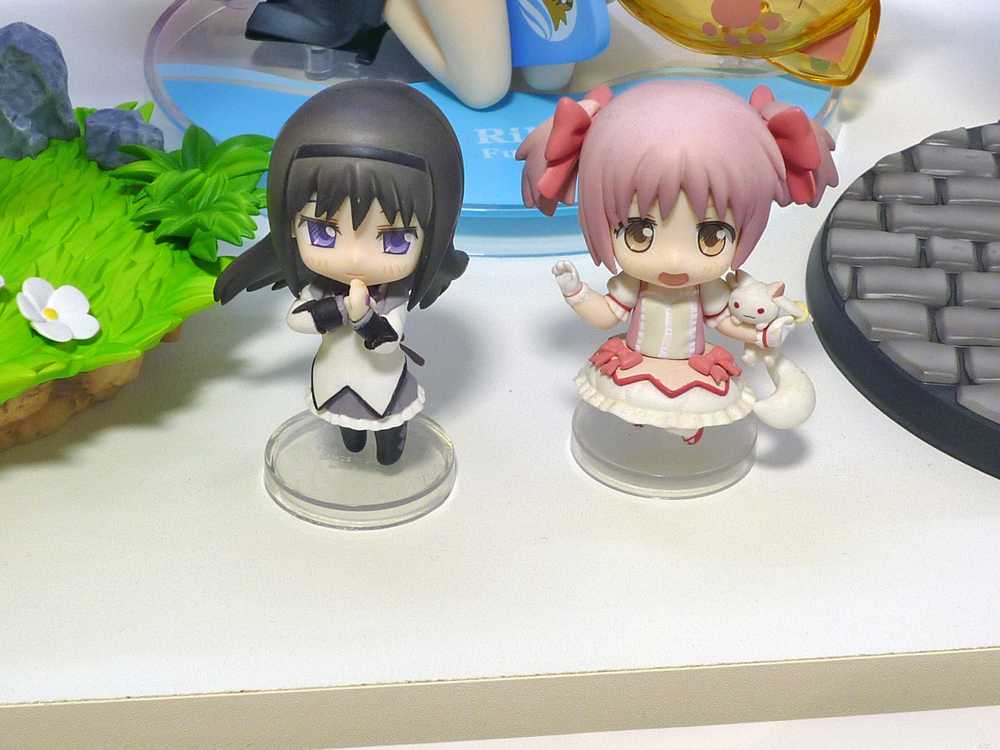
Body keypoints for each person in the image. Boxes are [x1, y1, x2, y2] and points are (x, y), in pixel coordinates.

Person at [517, 80, 837, 443]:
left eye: (711, 236)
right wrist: (575, 291)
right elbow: (606, 315)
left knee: (689, 412)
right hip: (636, 364)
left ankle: (684, 433)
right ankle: (641, 432)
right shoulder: (633, 285)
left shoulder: (708, 290)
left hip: (692, 368)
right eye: (639, 234)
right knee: (632, 405)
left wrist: (761, 335)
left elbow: (725, 322)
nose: (673, 260)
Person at [215, 79, 468, 464]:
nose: (354, 258)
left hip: (380, 380)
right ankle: (352, 441)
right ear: (289, 224)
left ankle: (391, 446)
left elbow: (387, 341)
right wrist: (337, 310)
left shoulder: (392, 295)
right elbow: (297, 319)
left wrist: (363, 317)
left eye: (394, 239)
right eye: (323, 232)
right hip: (333, 374)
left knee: (386, 431)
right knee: (346, 430)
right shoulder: (321, 287)